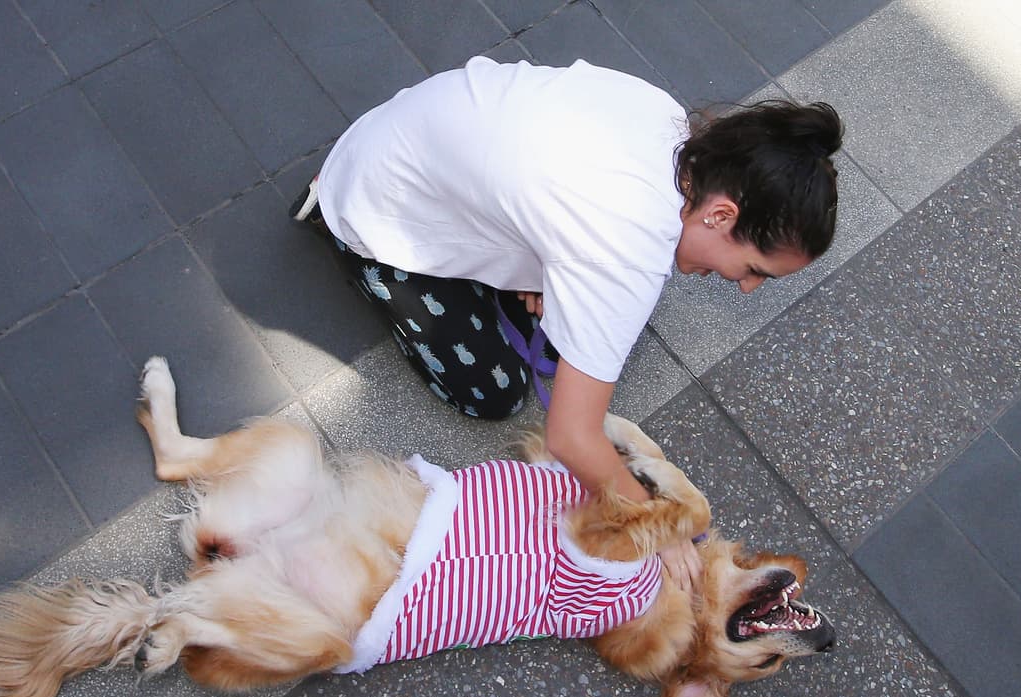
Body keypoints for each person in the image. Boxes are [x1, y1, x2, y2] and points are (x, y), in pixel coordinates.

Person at [289, 57, 841, 585]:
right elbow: (572, 438)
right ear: (722, 215)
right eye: (754, 269)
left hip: (402, 136)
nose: (747, 287)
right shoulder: (625, 252)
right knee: (492, 391)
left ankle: (498, 270)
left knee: (579, 336)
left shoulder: (668, 121)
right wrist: (659, 525)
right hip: (373, 203)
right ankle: (340, 232)